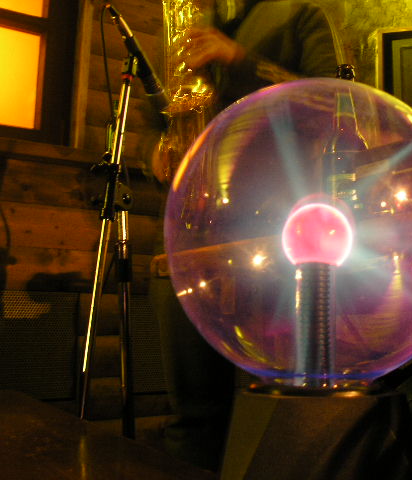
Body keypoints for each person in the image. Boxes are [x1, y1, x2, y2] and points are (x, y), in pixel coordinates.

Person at [148, 0, 343, 472]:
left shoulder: (300, 14)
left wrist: (240, 59)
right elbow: (156, 122)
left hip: (271, 224)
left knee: (282, 403)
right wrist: (153, 150)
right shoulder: (186, 27)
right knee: (191, 415)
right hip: (190, 229)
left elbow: (330, 102)